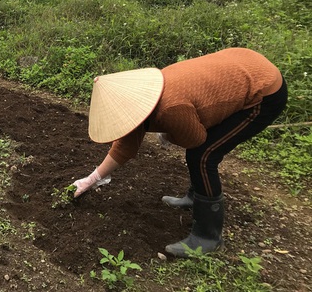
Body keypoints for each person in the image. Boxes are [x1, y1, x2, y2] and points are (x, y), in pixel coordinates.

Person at [72, 48, 287, 258]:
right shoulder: (147, 95)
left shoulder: (171, 108)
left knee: (203, 155)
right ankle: (195, 197)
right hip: (238, 66)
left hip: (263, 90)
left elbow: (196, 139)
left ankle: (208, 237)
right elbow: (125, 145)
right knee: (200, 151)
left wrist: (169, 133)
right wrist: (92, 179)